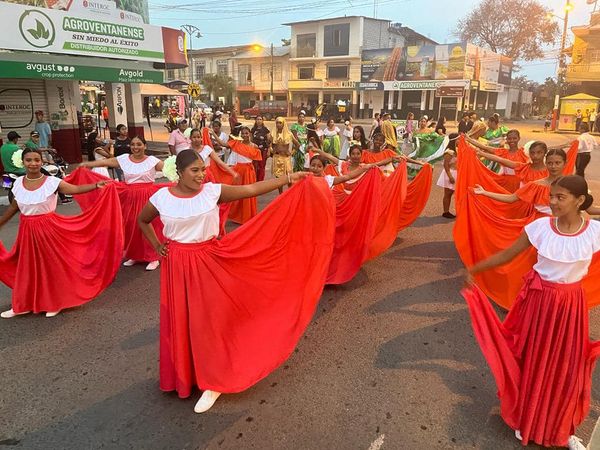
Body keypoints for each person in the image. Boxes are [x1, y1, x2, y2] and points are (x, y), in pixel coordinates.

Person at [137, 149, 335, 414]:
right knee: (183, 319)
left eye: (203, 169)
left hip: (207, 262)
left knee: (211, 323)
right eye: (195, 170)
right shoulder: (162, 197)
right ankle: (186, 373)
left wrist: (289, 178)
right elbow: (143, 220)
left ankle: (214, 381)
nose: (201, 174)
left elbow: (251, 189)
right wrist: (157, 246)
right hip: (175, 265)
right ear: (179, 172)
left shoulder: (212, 192)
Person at [463, 175, 600, 449]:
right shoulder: (540, 228)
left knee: (567, 368)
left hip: (570, 308)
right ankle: (528, 419)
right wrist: (475, 269)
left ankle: (563, 428)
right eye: (552, 196)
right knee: (535, 362)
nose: (553, 202)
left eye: (560, 197)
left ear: (579, 201)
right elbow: (507, 254)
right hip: (539, 303)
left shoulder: (595, 231)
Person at [0, 147, 122, 318]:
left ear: (42, 162)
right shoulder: (18, 183)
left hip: (49, 230)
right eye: (29, 160)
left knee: (52, 267)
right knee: (27, 268)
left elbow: (75, 189)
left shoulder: (52, 182)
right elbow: (14, 208)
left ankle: (56, 302)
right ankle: (23, 304)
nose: (33, 163)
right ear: (23, 162)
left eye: (37, 160)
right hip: (27, 232)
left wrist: (96, 185)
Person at [80, 136, 165, 271]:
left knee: (150, 225)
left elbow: (169, 169)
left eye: (139, 144)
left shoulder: (152, 161)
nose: (135, 147)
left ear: (145, 146)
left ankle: (153, 257)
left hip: (148, 196)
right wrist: (87, 165)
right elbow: (105, 162)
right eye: (133, 144)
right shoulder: (124, 159)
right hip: (129, 196)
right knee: (131, 225)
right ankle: (135, 255)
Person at [473, 148, 567, 215]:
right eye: (550, 163)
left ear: (565, 163)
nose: (553, 166)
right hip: (540, 225)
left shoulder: (571, 185)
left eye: (557, 163)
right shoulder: (536, 185)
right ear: (546, 163)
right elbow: (511, 198)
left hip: (565, 225)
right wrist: (484, 192)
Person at [227, 126, 262, 223]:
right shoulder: (237, 144)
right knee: (238, 193)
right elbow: (224, 145)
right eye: (242, 133)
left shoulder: (254, 146)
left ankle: (248, 215)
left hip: (249, 172)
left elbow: (255, 162)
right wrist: (212, 134)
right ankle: (237, 216)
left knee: (249, 192)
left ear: (250, 134)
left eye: (246, 133)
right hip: (239, 171)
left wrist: (254, 173)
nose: (244, 135)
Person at [437, 133, 459, 219]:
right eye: (458, 139)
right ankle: (446, 212)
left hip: (456, 173)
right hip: (450, 173)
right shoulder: (449, 152)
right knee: (448, 193)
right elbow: (446, 165)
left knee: (453, 193)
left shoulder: (457, 150)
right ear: (454, 140)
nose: (460, 141)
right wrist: (450, 176)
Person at [271, 117, 293, 194]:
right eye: (277, 123)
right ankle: (281, 195)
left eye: (280, 122)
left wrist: (291, 152)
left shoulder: (289, 134)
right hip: (277, 158)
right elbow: (270, 145)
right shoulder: (273, 134)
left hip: (286, 159)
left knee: (289, 178)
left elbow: (297, 144)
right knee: (279, 179)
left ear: (283, 123)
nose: (278, 124)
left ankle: (290, 193)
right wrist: (272, 150)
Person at [250, 116, 272, 181]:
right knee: (255, 165)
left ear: (262, 121)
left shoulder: (265, 130)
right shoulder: (253, 130)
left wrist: (269, 150)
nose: (259, 121)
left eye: (260, 119)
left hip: (263, 151)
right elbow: (251, 141)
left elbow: (269, 141)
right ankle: (255, 180)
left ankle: (260, 181)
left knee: (261, 166)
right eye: (257, 119)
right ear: (255, 121)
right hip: (255, 151)